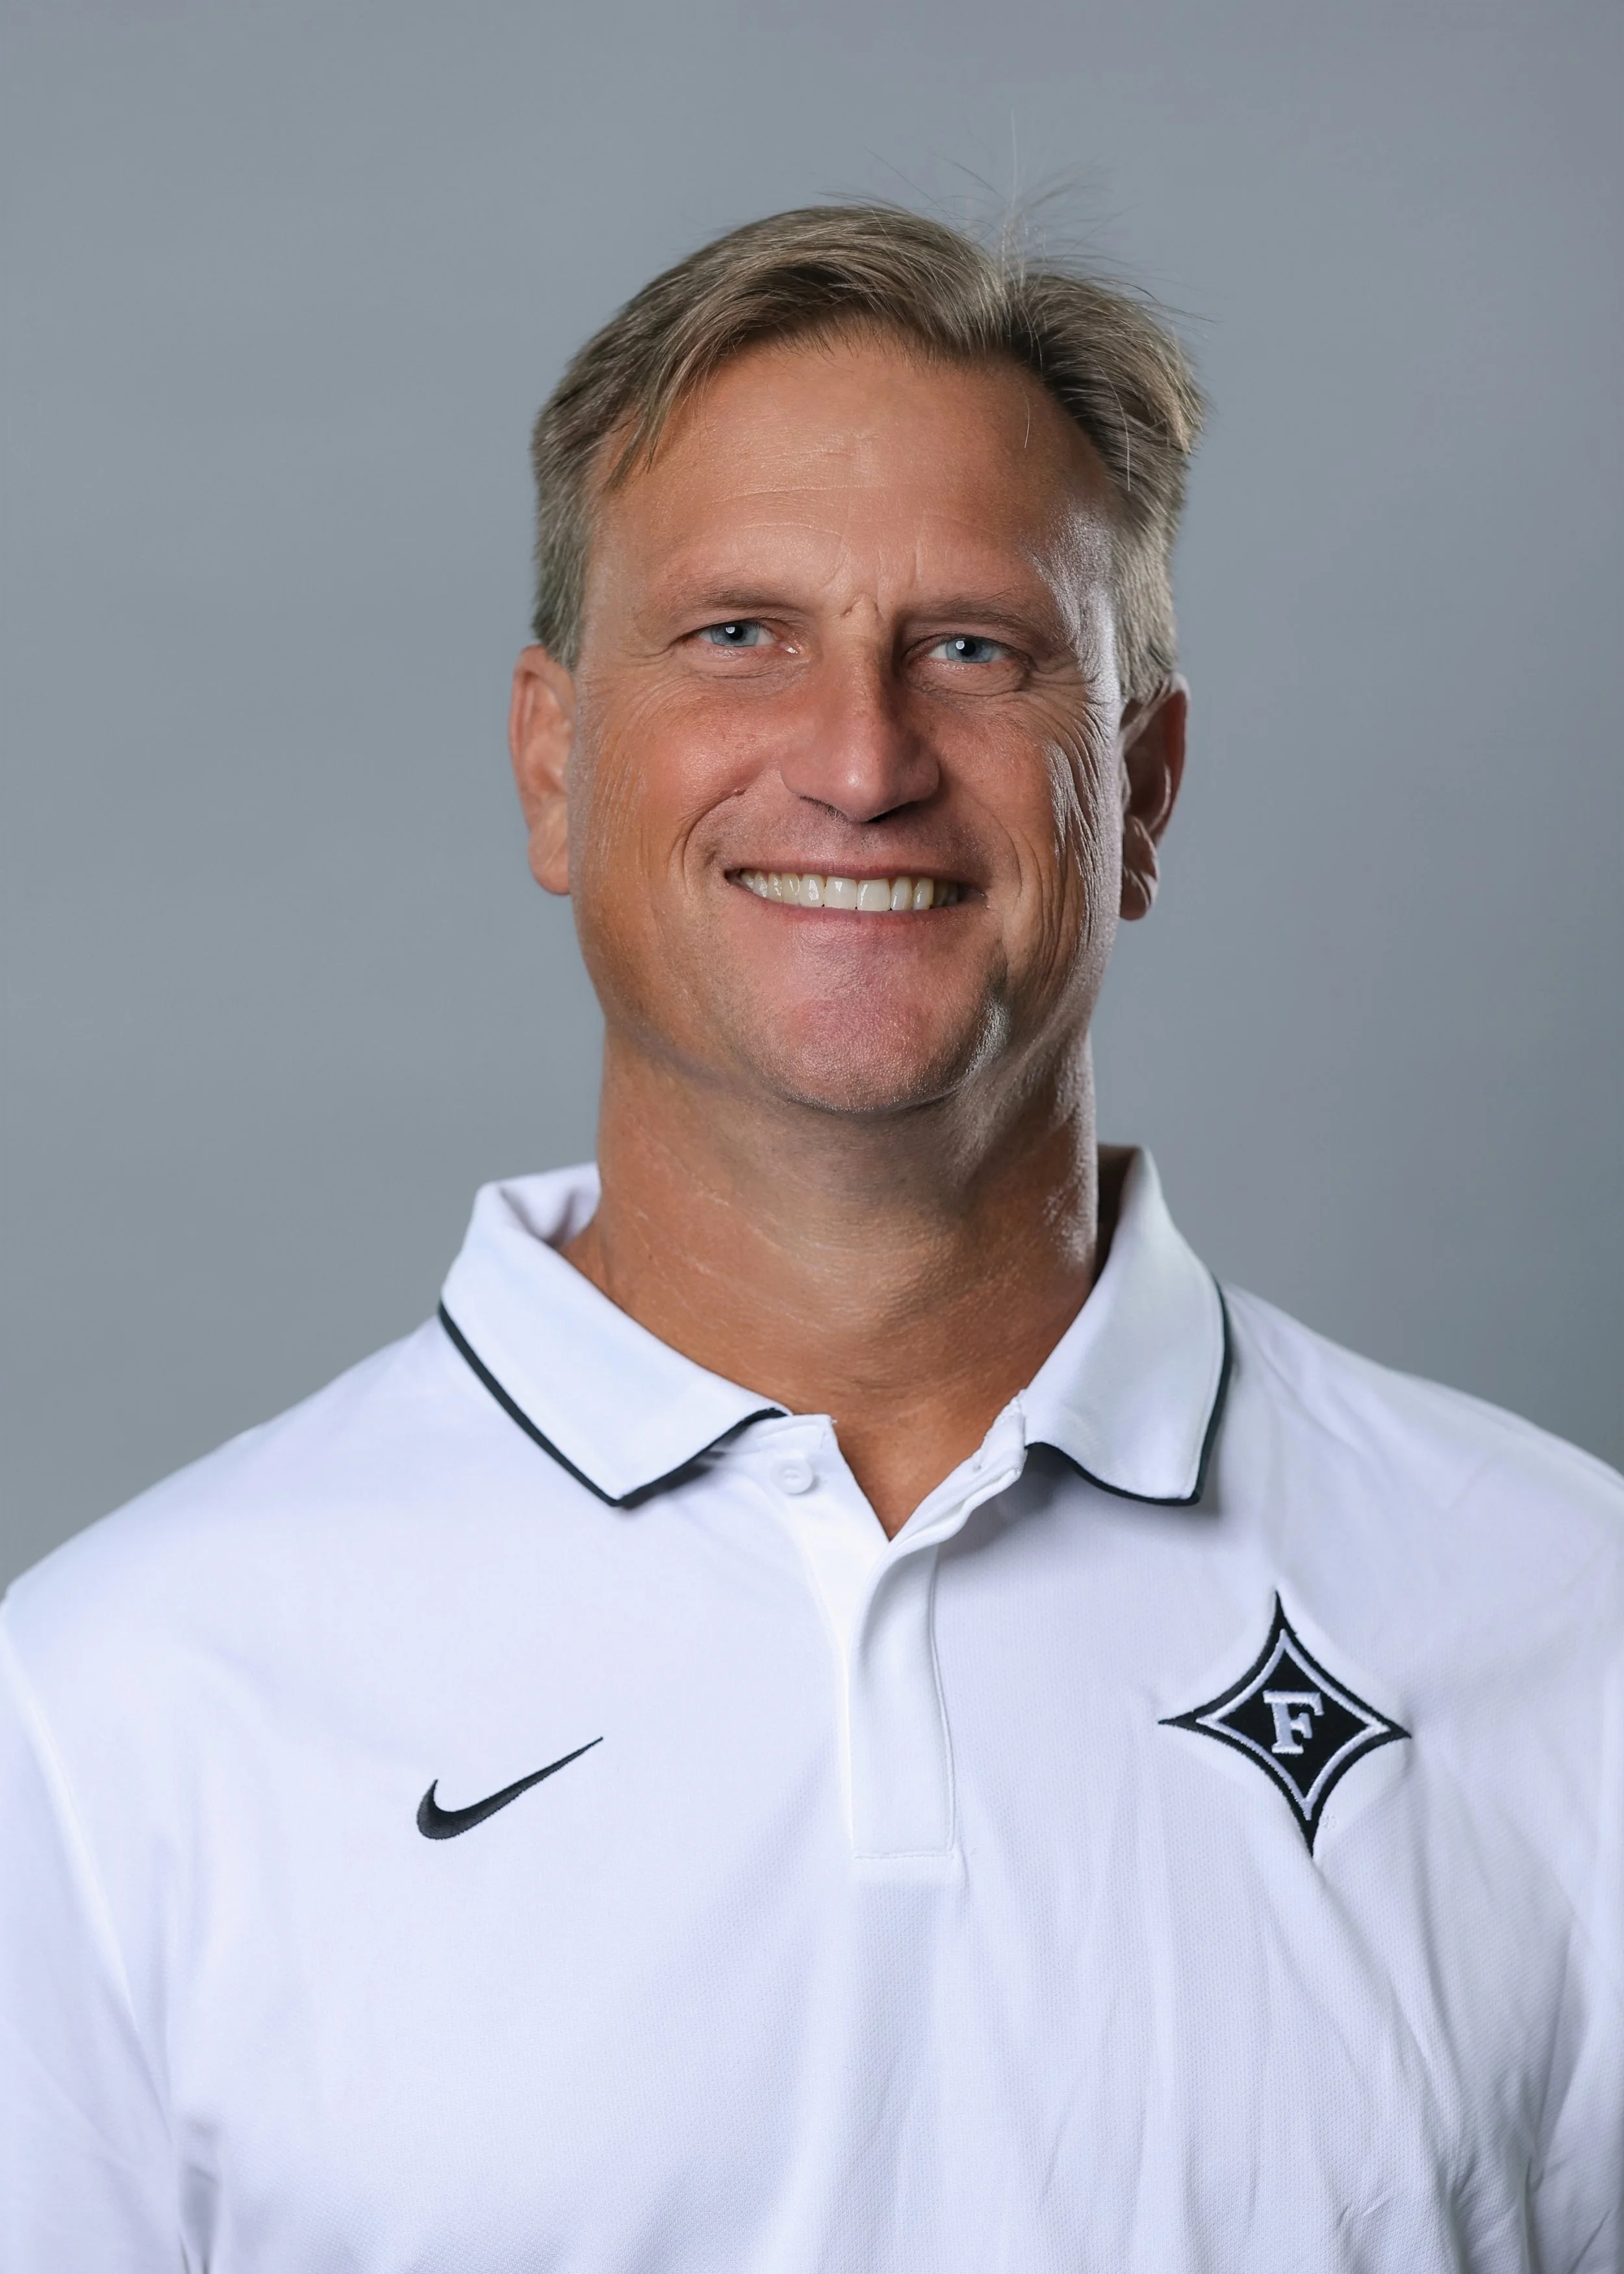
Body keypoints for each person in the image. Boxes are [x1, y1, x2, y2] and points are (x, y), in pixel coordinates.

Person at [2, 204, 1619, 2272]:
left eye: (972, 647)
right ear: (552, 763)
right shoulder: (114, 1708)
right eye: (736, 634)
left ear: (1137, 792)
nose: (859, 764)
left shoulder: (1570, 1632)